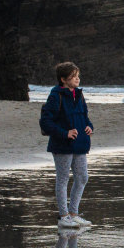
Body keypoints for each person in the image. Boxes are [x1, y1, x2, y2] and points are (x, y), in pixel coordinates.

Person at [39, 61, 94, 228]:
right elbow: (46, 122)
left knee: (83, 177)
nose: (77, 79)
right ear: (63, 79)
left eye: (78, 76)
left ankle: (73, 213)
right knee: (63, 179)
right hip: (62, 144)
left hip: (80, 143)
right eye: (73, 77)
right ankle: (63, 216)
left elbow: (85, 116)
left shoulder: (79, 94)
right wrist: (65, 133)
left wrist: (89, 127)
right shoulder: (56, 95)